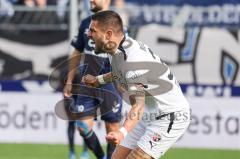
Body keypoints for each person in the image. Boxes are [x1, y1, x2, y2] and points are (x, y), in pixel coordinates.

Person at [83, 10, 191, 159]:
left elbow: (137, 106)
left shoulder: (133, 61)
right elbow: (120, 73)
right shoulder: (118, 48)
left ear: (108, 34)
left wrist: (122, 132)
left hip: (170, 115)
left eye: (92, 31)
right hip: (150, 112)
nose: (88, 35)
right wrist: (98, 80)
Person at [63, 1, 122, 159]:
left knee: (113, 130)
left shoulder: (116, 24)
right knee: (82, 126)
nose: (91, 1)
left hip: (110, 85)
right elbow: (76, 52)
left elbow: (125, 56)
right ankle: (101, 156)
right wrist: (69, 80)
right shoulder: (85, 23)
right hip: (87, 83)